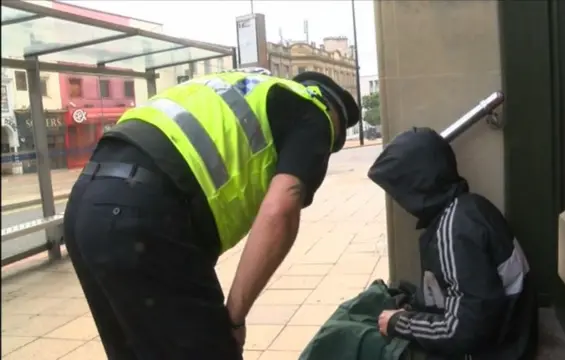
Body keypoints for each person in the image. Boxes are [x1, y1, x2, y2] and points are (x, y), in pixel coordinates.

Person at [62, 68, 360, 360]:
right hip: (144, 213)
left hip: (86, 206)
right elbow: (281, 209)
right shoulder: (316, 112)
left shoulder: (239, 87)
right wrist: (233, 319)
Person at [368, 127, 538, 360]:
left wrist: (400, 322)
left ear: (417, 184)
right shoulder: (468, 208)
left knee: (362, 343)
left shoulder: (455, 230)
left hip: (495, 351)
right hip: (510, 336)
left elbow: (465, 330)